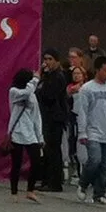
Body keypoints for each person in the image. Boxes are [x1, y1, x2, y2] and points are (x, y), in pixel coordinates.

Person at [73, 56, 106, 203]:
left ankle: (99, 193)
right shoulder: (87, 89)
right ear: (97, 70)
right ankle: (83, 183)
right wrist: (82, 132)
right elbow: (82, 111)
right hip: (93, 132)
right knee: (95, 160)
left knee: (104, 165)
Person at [35, 51, 72, 193]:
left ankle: (55, 182)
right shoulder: (47, 76)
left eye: (50, 59)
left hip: (55, 117)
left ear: (56, 61)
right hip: (46, 116)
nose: (47, 62)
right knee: (47, 149)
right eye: (45, 59)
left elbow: (49, 95)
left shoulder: (58, 77)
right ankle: (47, 179)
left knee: (53, 149)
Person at [7, 67, 44, 202]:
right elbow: (26, 92)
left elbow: (36, 117)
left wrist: (40, 136)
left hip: (30, 133)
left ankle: (30, 190)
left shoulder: (32, 96)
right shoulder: (14, 92)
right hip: (17, 131)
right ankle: (14, 192)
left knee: (36, 161)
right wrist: (35, 79)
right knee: (16, 163)